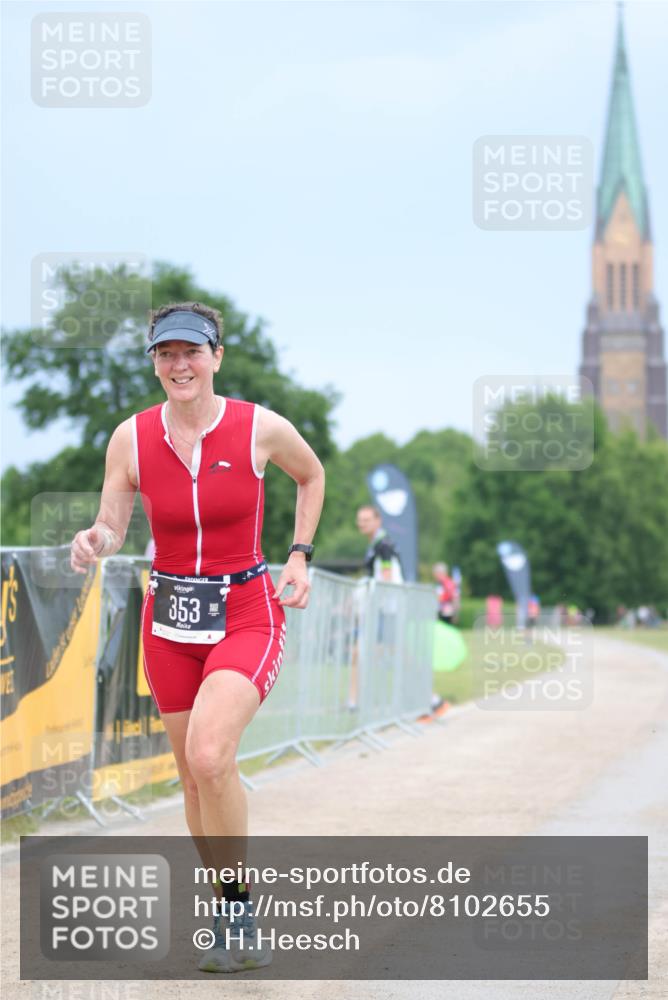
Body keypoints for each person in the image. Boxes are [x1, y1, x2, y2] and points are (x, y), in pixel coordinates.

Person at [70, 302, 325, 973]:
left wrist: (298, 554)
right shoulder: (129, 438)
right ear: (154, 362)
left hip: (246, 610)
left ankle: (239, 910)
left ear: (216, 356)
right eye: (165, 354)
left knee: (212, 756)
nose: (178, 365)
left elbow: (312, 474)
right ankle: (225, 903)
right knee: (190, 779)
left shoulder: (258, 428)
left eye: (191, 352)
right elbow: (111, 525)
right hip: (172, 619)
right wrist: (92, 540)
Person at [355, 505, 403, 583]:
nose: (361, 524)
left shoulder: (384, 544)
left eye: (366, 520)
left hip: (387, 593)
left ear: (378, 521)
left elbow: (387, 578)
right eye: (359, 520)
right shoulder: (376, 544)